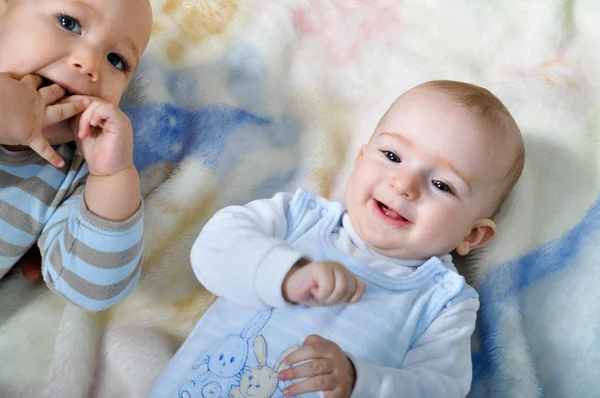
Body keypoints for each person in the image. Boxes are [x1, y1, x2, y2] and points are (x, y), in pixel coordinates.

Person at [149, 80, 525, 398]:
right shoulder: (299, 218)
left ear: (472, 235)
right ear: (360, 159)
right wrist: (286, 274)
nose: (404, 185)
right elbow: (213, 250)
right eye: (392, 155)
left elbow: (436, 389)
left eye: (442, 184)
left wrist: (357, 379)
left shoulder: (442, 303)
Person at [0, 0, 153, 311]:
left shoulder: (73, 174)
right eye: (68, 23)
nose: (89, 64)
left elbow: (92, 290)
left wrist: (113, 176)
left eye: (117, 60)